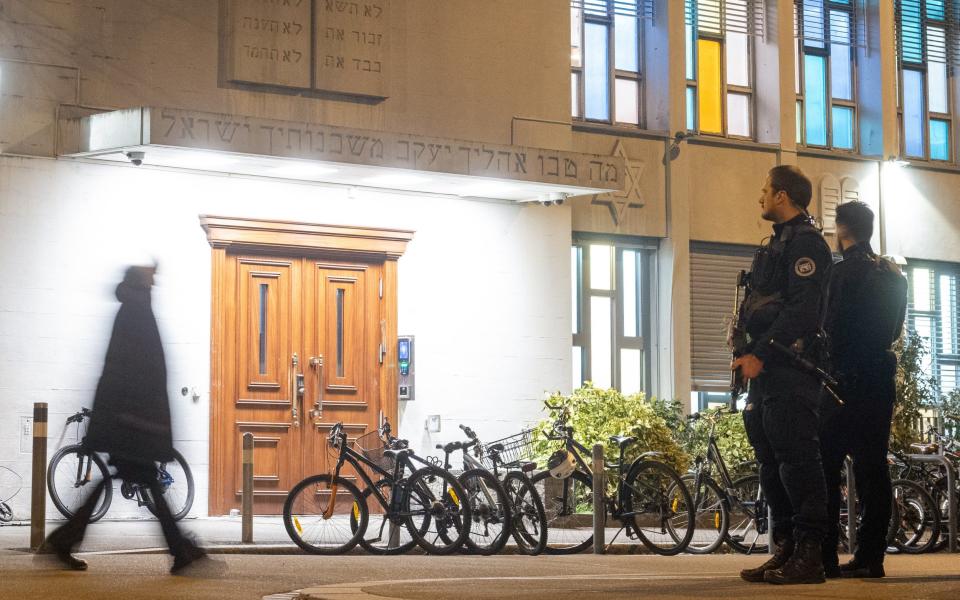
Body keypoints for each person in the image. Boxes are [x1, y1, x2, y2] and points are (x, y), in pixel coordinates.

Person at [40, 265, 209, 574]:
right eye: (151, 281)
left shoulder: (132, 310)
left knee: (137, 481)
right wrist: (153, 422)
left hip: (128, 420)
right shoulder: (137, 313)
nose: (154, 285)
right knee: (147, 483)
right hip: (134, 422)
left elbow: (122, 370)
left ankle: (66, 540)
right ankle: (179, 550)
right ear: (142, 285)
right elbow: (142, 373)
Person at [733, 166, 832, 585]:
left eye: (765, 190)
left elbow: (802, 312)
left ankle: (810, 557)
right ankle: (787, 548)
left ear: (782, 197)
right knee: (772, 463)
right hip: (767, 373)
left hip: (791, 369)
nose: (761, 197)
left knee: (798, 463)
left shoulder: (808, 245)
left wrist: (760, 353)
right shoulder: (777, 245)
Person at [819, 201, 907, 579]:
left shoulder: (839, 275)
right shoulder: (893, 276)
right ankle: (871, 557)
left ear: (842, 230)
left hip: (841, 380)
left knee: (827, 468)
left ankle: (824, 556)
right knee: (873, 471)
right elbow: (896, 329)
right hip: (878, 378)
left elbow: (829, 327)